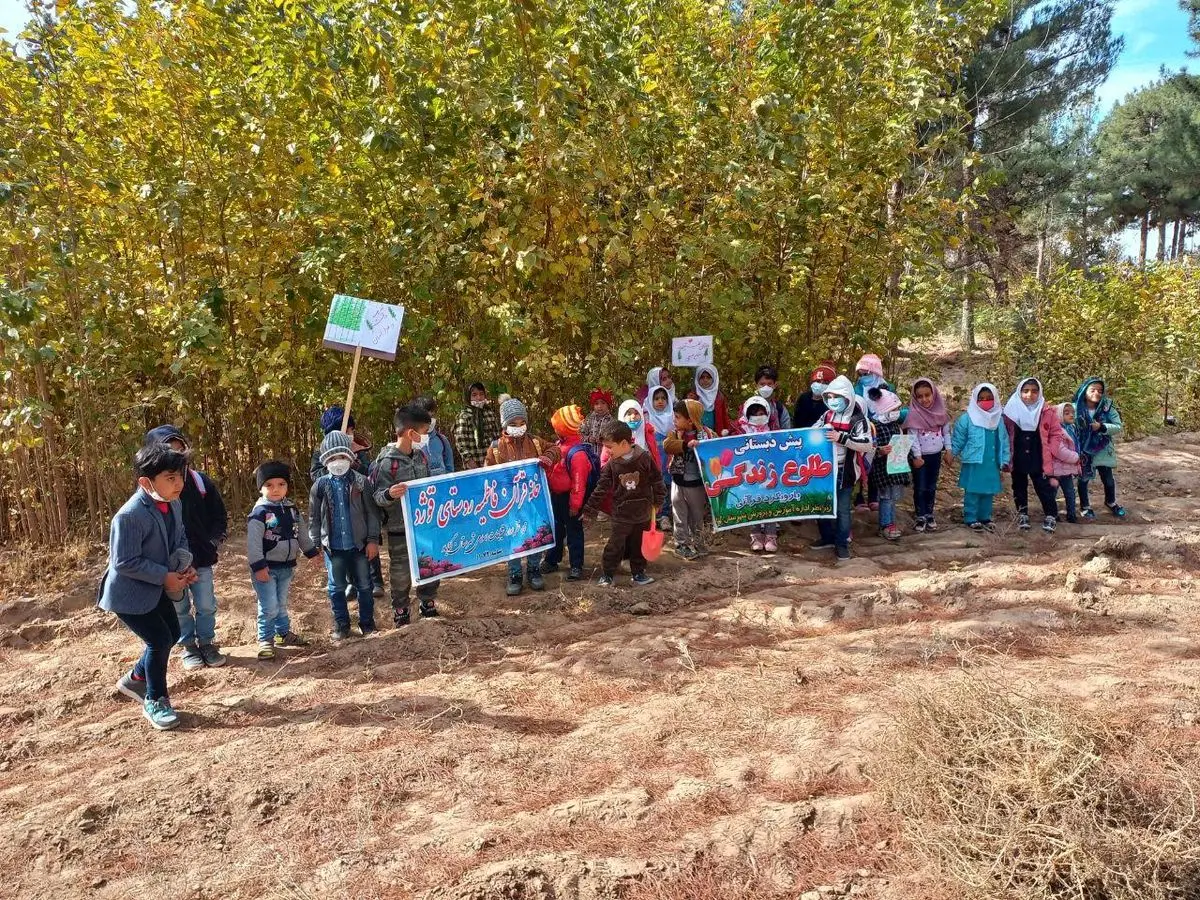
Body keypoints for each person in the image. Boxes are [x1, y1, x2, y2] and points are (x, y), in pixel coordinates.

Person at [99, 443, 196, 731]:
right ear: (146, 482)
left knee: (174, 632)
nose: (179, 483)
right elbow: (124, 562)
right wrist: (165, 577)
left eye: (181, 475)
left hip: (155, 586)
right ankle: (155, 700)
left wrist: (182, 566)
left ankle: (136, 679)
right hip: (128, 594)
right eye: (170, 478)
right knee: (158, 640)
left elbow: (179, 539)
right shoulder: (129, 516)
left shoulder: (173, 502)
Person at [143, 425, 228, 670]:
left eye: (180, 450)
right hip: (170, 564)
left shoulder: (200, 482)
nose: (176, 457)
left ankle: (207, 643)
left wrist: (211, 542)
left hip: (201, 558)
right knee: (179, 607)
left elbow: (219, 516)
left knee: (205, 604)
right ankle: (188, 646)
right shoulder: (149, 493)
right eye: (169, 451)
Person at [484, 397, 561, 596]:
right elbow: (486, 475)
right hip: (508, 505)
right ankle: (515, 573)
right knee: (513, 538)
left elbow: (556, 448)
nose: (518, 427)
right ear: (504, 425)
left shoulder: (535, 442)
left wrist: (548, 457)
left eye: (521, 423)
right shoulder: (495, 447)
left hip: (533, 501)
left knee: (534, 535)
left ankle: (534, 570)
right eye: (513, 424)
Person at [371, 405, 439, 626]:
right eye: (424, 432)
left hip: (425, 526)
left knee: (429, 564)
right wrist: (390, 494)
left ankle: (427, 602)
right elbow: (377, 497)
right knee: (400, 571)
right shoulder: (386, 463)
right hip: (399, 528)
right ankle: (400, 609)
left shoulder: (422, 458)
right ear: (411, 433)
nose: (426, 437)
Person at [309, 431, 381, 639]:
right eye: (331, 458)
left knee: (365, 585)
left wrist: (372, 540)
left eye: (341, 456)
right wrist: (315, 545)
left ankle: (367, 623)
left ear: (350, 457)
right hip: (333, 548)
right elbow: (314, 518)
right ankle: (342, 624)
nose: (337, 462)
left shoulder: (361, 482)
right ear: (325, 461)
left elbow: (372, 514)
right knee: (336, 587)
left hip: (359, 546)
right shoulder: (320, 486)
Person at [310, 406, 384, 599]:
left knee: (368, 539)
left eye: (351, 430)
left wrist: (354, 460)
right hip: (335, 504)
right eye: (346, 430)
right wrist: (336, 465)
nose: (350, 434)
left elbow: (369, 472)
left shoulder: (358, 446)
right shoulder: (321, 451)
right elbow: (316, 474)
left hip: (360, 501)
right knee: (346, 544)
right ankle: (351, 583)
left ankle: (376, 581)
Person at [247, 461, 320, 659]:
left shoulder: (292, 510)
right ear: (260, 488)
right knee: (268, 605)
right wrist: (258, 566)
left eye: (281, 484)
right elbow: (253, 544)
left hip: (286, 567)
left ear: (287, 486)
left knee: (281, 602)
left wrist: (311, 552)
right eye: (269, 485)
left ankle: (282, 634)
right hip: (266, 569)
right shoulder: (260, 513)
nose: (276, 489)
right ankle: (265, 640)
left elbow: (301, 533)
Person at [583, 420, 667, 587]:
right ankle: (607, 574)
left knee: (638, 545)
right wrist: (589, 510)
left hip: (643, 512)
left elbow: (657, 481)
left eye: (610, 447)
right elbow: (601, 488)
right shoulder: (611, 466)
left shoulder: (644, 458)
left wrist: (658, 501)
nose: (607, 451)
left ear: (623, 443)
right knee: (615, 545)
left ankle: (638, 573)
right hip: (621, 514)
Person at [812, 376, 872, 563]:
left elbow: (867, 445)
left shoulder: (858, 419)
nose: (833, 401)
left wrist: (842, 438)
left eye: (837, 397)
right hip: (824, 470)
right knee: (822, 505)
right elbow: (813, 430)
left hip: (845, 472)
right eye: (829, 397)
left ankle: (842, 543)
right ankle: (827, 537)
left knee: (843, 510)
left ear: (847, 397)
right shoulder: (827, 415)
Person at [1003, 377, 1064, 533]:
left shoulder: (1046, 411)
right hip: (1018, 455)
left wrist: (1052, 449)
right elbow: (1004, 434)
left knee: (1043, 486)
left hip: (1039, 455)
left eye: (1034, 391)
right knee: (1019, 486)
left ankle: (1051, 514)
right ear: (1019, 392)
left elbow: (1056, 432)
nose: (1030, 395)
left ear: (1040, 393)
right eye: (1026, 391)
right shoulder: (1010, 411)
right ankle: (1022, 513)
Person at [951, 383, 1010, 532]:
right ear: (975, 399)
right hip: (974, 461)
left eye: (989, 398)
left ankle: (985, 517)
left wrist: (1004, 460)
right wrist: (951, 454)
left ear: (995, 399)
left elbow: (1003, 441)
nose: (985, 401)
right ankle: (970, 517)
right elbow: (959, 439)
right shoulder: (967, 419)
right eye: (981, 398)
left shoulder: (998, 419)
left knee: (988, 491)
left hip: (991, 463)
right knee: (973, 491)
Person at [544, 404, 593, 581]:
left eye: (557, 428)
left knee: (574, 532)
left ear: (563, 429)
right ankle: (552, 560)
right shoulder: (560, 445)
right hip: (556, 497)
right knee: (555, 530)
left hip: (570, 499)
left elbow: (579, 483)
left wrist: (575, 505)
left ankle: (576, 566)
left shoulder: (577, 453)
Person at [664, 399, 716, 560]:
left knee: (697, 515)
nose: (675, 420)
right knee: (679, 513)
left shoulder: (707, 434)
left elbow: (716, 449)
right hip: (678, 481)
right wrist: (686, 445)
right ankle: (682, 544)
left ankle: (699, 542)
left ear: (690, 419)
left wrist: (702, 444)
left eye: (678, 417)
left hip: (697, 483)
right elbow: (668, 446)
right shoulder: (675, 434)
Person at [867, 388, 920, 541]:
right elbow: (868, 449)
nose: (897, 411)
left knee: (892, 498)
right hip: (883, 471)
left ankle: (890, 523)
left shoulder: (896, 426)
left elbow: (902, 445)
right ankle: (886, 525)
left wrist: (911, 457)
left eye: (897, 408)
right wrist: (879, 451)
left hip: (896, 470)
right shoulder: (874, 427)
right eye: (894, 409)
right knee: (885, 498)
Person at [1074, 377, 1126, 520]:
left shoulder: (1107, 408)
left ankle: (1110, 502)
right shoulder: (1074, 408)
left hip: (1102, 449)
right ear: (1084, 391)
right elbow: (1065, 424)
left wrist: (1102, 427)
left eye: (1100, 391)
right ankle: (1085, 506)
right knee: (1083, 479)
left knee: (1108, 479)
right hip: (1083, 451)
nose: (1096, 393)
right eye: (1093, 390)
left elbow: (1118, 426)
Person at [905, 378, 952, 533]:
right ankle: (920, 515)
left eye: (927, 395)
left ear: (934, 394)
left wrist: (949, 450)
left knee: (931, 486)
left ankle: (929, 513)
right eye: (920, 396)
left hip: (935, 456)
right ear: (915, 398)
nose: (924, 399)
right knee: (920, 486)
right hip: (920, 458)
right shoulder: (913, 415)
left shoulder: (941, 413)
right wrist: (917, 457)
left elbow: (946, 433)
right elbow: (913, 438)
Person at [738, 396, 781, 552]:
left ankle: (771, 536)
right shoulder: (741, 430)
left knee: (770, 503)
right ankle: (755, 536)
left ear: (768, 413)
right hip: (749, 474)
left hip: (770, 473)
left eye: (762, 412)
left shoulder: (773, 431)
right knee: (753, 504)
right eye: (754, 413)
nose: (758, 416)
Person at [645, 385, 675, 531]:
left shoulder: (673, 419)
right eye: (656, 399)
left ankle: (664, 516)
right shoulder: (647, 419)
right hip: (652, 464)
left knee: (665, 488)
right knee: (652, 489)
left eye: (663, 398)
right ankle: (652, 518)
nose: (660, 401)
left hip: (667, 462)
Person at [1046, 403, 1082, 524]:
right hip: (1056, 470)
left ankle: (1071, 515)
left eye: (1072, 413)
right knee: (1052, 493)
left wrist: (1077, 464)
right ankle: (1052, 514)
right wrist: (1076, 458)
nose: (1071, 415)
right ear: (1058, 416)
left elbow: (1074, 447)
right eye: (1066, 413)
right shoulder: (1056, 431)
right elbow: (1058, 450)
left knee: (1070, 493)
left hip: (1066, 470)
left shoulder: (1071, 429)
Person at [452, 381, 501, 471]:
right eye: (474, 395)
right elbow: (461, 443)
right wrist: (470, 462)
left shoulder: (489, 413)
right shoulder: (464, 416)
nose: (478, 398)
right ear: (468, 397)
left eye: (481, 394)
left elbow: (496, 437)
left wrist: (497, 457)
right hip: (474, 465)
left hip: (492, 462)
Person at [413, 395, 455, 477]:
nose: (429, 421)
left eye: (431, 416)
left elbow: (450, 468)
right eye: (425, 418)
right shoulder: (411, 443)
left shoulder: (442, 440)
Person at [687, 364, 734, 436]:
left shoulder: (719, 397)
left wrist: (727, 432)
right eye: (702, 377)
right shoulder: (692, 397)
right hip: (696, 436)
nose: (705, 380)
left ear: (714, 379)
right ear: (697, 379)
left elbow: (724, 416)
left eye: (708, 377)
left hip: (716, 435)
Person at [793, 362, 837, 429]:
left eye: (825, 382)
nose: (821, 385)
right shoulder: (803, 398)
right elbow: (796, 421)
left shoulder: (831, 403)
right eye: (818, 381)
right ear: (812, 382)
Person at [754, 365, 792, 430]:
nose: (766, 387)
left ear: (775, 385)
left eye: (769, 384)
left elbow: (787, 433)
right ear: (756, 386)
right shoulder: (747, 408)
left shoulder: (780, 409)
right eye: (762, 384)